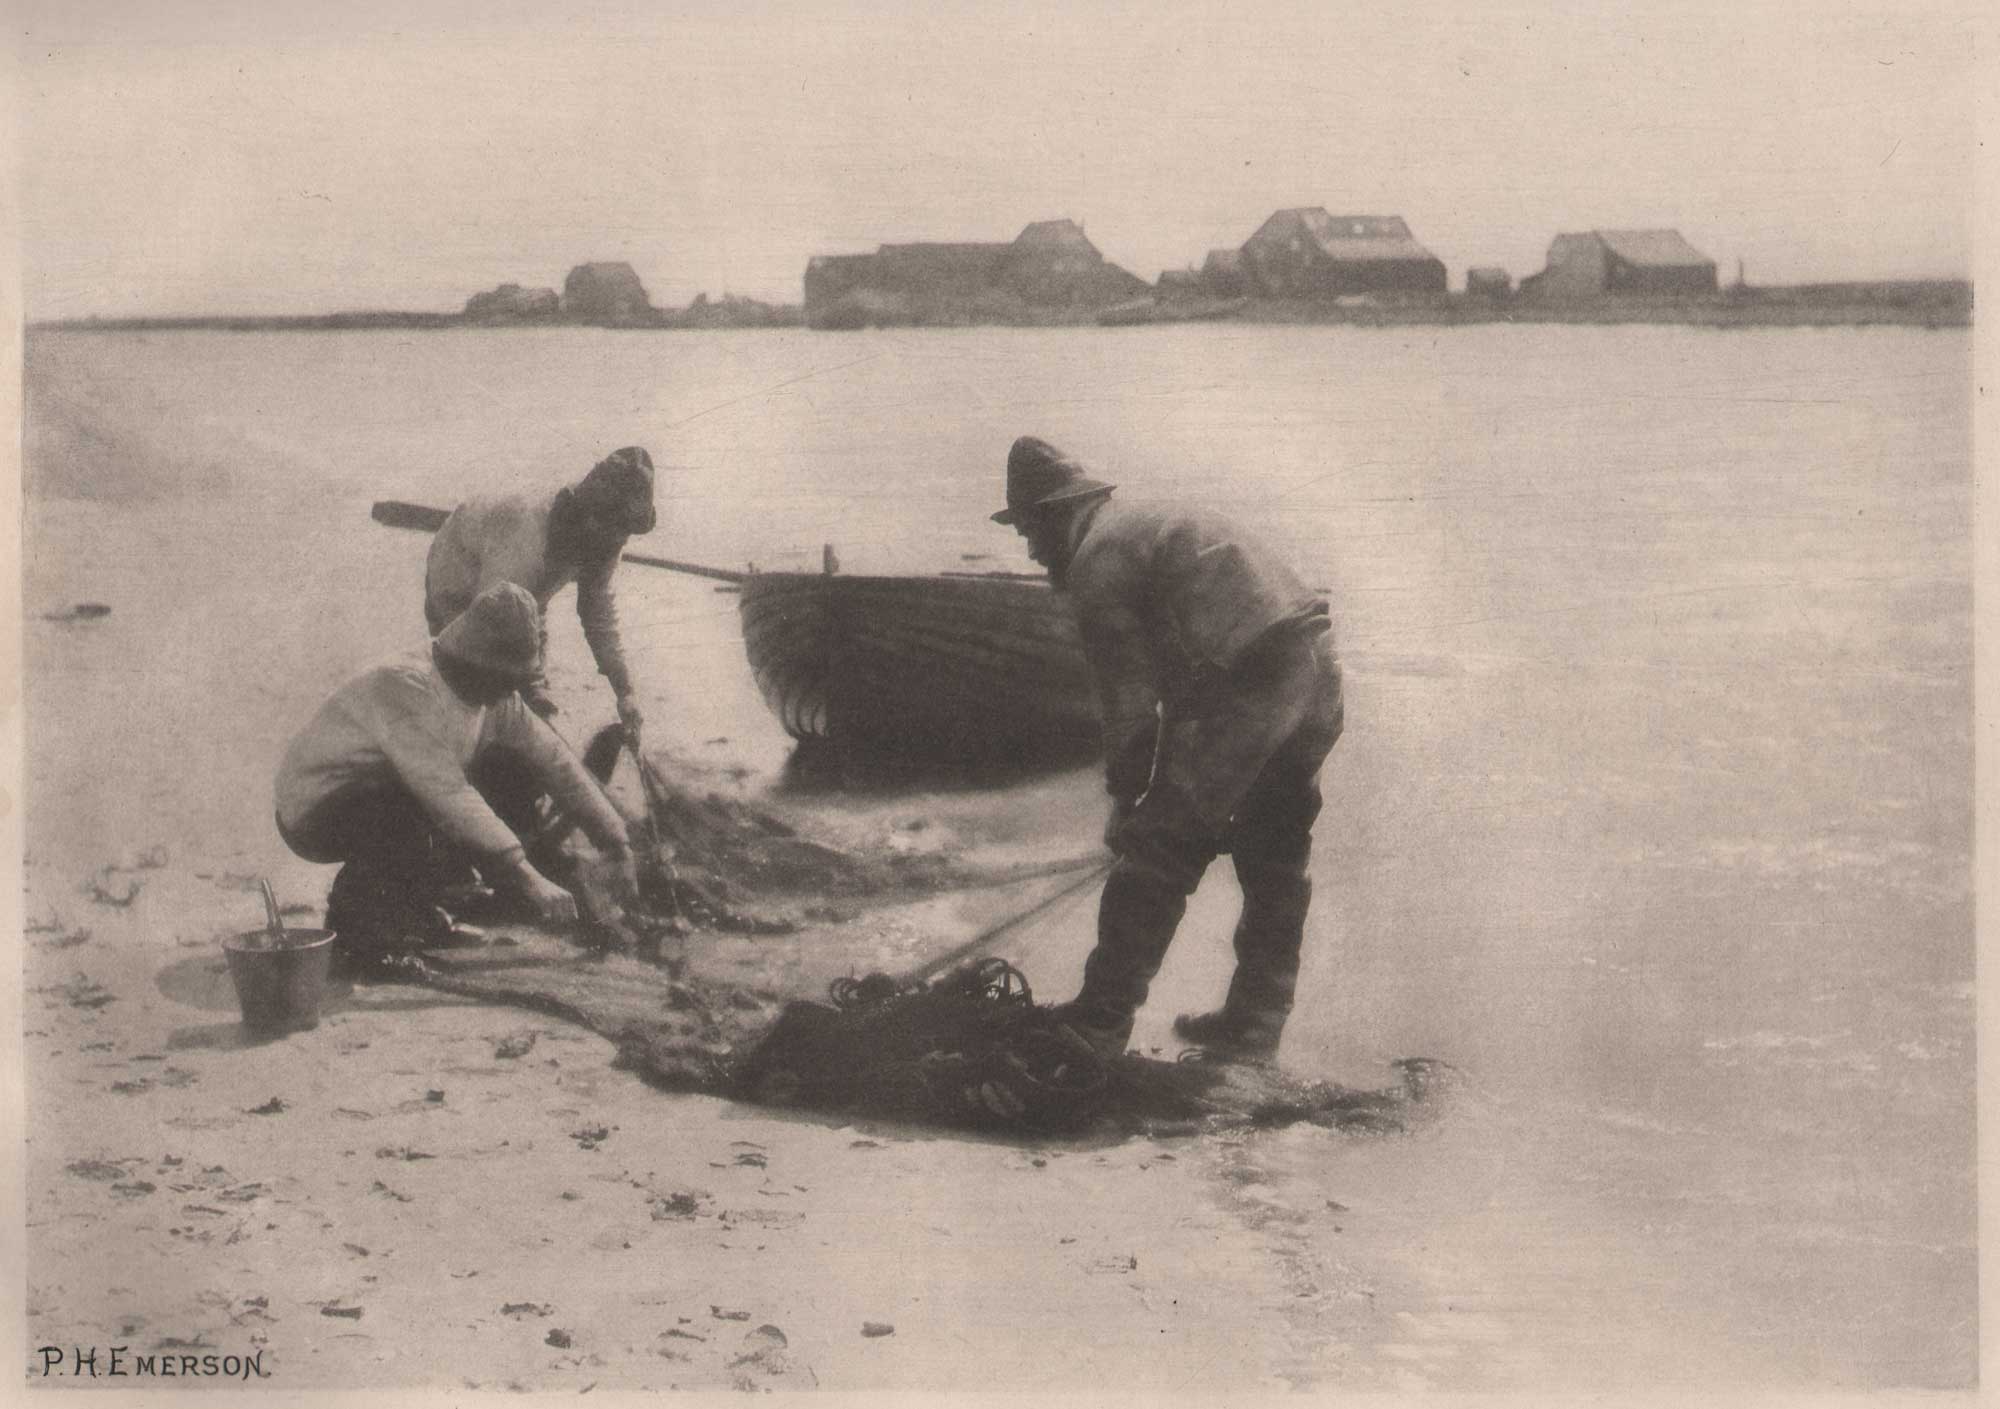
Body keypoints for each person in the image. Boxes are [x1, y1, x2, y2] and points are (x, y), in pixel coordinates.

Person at [992, 436, 1344, 1062]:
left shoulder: (1097, 559)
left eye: (1028, 532)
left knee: (1157, 851)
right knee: (1275, 852)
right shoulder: (1143, 526)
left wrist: (1130, 802)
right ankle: (1255, 1026)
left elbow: (1128, 702)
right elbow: (1183, 687)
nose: (1032, 551)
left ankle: (1099, 1022)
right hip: (1318, 673)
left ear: (1054, 515)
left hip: (1260, 677)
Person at [276, 581, 637, 969]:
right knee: (406, 816)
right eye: (504, 679)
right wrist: (525, 873)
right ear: (475, 662)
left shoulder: (496, 696)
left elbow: (556, 762)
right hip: (315, 809)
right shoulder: (406, 685)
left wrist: (615, 841)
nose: (509, 692)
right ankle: (358, 938)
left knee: (512, 770)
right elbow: (447, 794)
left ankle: (421, 912)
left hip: (398, 789)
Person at [424, 446, 658, 742]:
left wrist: (625, 692)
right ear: (591, 518)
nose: (620, 539)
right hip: (460, 574)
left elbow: (599, 617)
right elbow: (492, 618)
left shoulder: (608, 538)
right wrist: (518, 686)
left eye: (626, 531)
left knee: (532, 698)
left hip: (525, 590)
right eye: (615, 528)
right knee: (470, 684)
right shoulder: (529, 530)